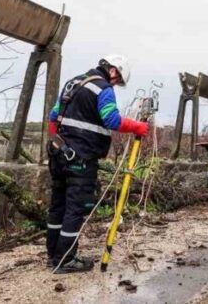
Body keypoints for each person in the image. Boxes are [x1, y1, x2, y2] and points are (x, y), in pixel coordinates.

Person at [45, 55, 149, 273]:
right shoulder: (103, 89)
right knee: (75, 209)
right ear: (112, 70)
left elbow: (53, 117)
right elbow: (111, 119)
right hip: (81, 158)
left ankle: (53, 256)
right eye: (117, 79)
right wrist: (137, 127)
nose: (115, 84)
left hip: (59, 155)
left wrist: (57, 142)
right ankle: (65, 260)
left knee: (57, 206)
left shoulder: (73, 83)